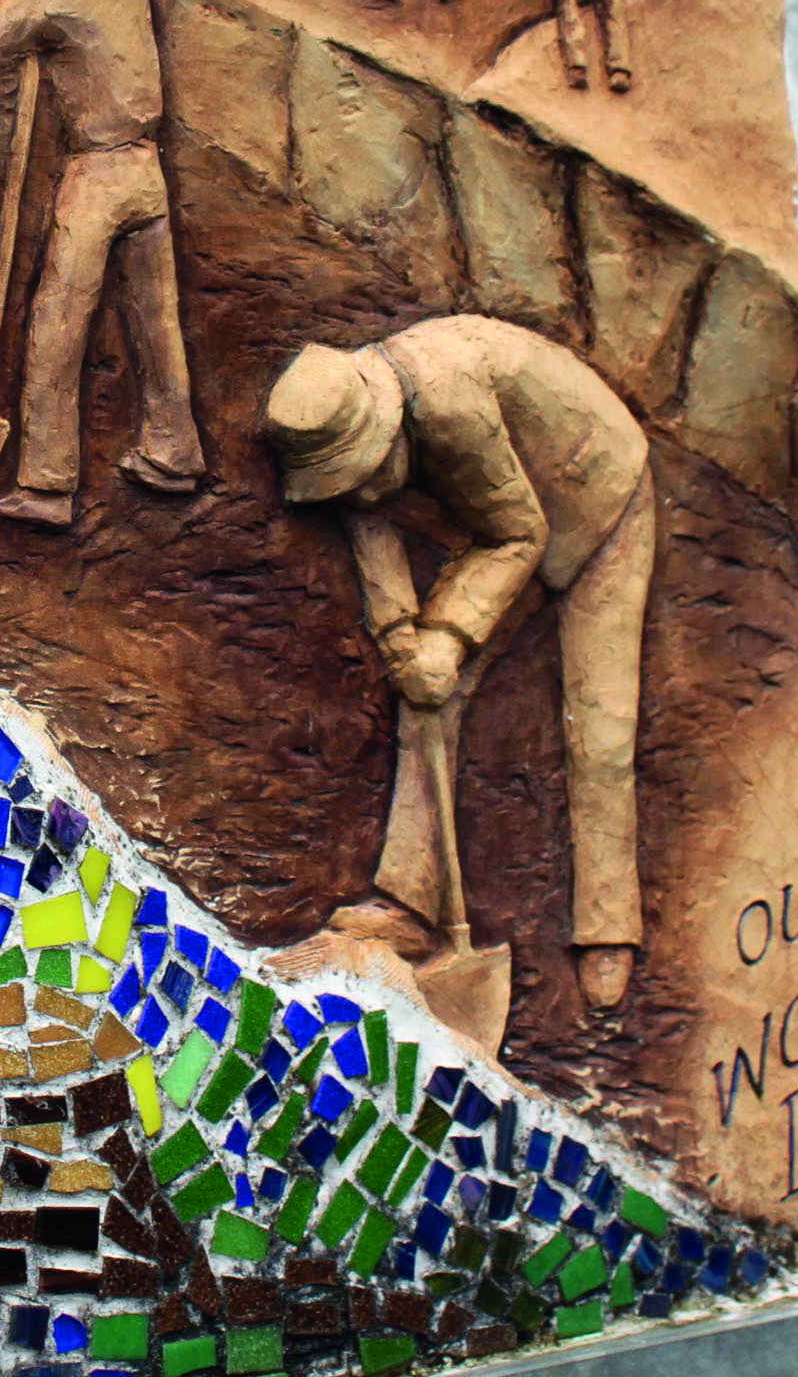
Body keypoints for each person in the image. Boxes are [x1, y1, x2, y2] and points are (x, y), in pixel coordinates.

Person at [264, 316, 652, 1010]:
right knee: (428, 700)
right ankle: (410, 907)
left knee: (601, 719)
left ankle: (608, 928)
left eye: (365, 473)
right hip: (496, 524)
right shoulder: (340, 425)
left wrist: (447, 637)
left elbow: (518, 529)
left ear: (385, 432)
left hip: (594, 492)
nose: (363, 492)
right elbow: (372, 532)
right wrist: (403, 644)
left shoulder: (443, 397)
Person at [0, 0, 204, 528]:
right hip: (147, 167)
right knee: (155, 319)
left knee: (59, 323)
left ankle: (47, 482)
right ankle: (173, 449)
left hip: (98, 173)